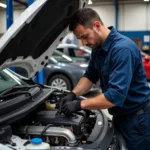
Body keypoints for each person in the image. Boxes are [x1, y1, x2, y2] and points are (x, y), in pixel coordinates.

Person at [58, 8, 150, 150]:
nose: (83, 43)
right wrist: (73, 94)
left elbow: (114, 97)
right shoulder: (98, 49)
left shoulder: (122, 49)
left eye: (85, 36)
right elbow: (89, 77)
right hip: (120, 117)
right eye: (80, 39)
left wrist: (79, 105)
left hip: (137, 122)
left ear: (97, 26)